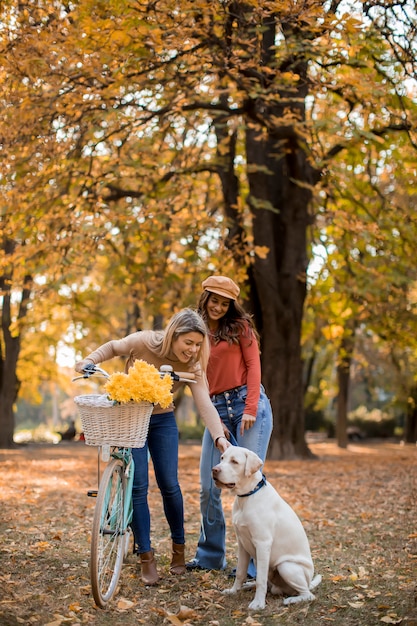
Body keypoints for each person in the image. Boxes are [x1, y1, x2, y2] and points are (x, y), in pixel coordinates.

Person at [74, 308, 230, 586]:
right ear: (173, 335)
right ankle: (146, 556)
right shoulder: (144, 341)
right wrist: (89, 360)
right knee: (138, 486)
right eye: (188, 343)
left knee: (170, 483)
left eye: (198, 344)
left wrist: (219, 437)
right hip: (130, 418)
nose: (193, 350)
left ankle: (178, 550)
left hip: (162, 421)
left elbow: (204, 404)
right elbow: (113, 347)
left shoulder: (193, 366)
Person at [186, 276, 273, 575]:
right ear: (205, 297)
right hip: (216, 410)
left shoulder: (241, 328)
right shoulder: (195, 332)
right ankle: (210, 556)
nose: (219, 307)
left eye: (225, 303)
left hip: (247, 406)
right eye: (215, 300)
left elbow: (253, 367)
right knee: (209, 486)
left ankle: (253, 567)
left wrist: (250, 408)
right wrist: (213, 418)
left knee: (249, 482)